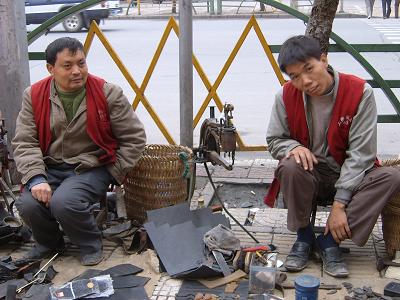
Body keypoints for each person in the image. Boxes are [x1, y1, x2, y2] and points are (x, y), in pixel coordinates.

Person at [265, 35, 400, 278]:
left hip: (349, 174)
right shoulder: (284, 96)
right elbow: (275, 139)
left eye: (309, 69)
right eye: (295, 77)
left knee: (390, 177)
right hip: (311, 175)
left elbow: (361, 154)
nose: (305, 81)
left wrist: (340, 204)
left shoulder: (359, 92)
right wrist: (292, 147)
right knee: (290, 165)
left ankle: (329, 242)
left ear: (324, 60)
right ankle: (304, 238)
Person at [12, 37, 146, 266]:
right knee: (26, 204)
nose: (77, 71)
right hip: (50, 166)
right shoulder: (33, 95)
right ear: (50, 69)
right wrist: (36, 178)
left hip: (91, 167)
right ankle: (49, 244)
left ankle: (90, 244)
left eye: (81, 63)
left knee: (64, 202)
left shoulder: (108, 93)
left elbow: (134, 139)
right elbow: (25, 141)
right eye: (68, 65)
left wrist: (114, 171)